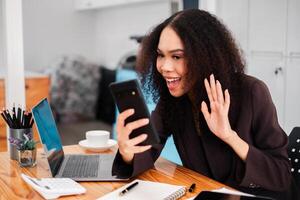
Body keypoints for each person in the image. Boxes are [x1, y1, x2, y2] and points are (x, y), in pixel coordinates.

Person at [112, 9, 297, 199]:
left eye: (177, 56)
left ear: (204, 56)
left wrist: (230, 137)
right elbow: (148, 149)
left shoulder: (252, 92)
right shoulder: (173, 99)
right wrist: (127, 152)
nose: (164, 67)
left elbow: (281, 175)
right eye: (160, 55)